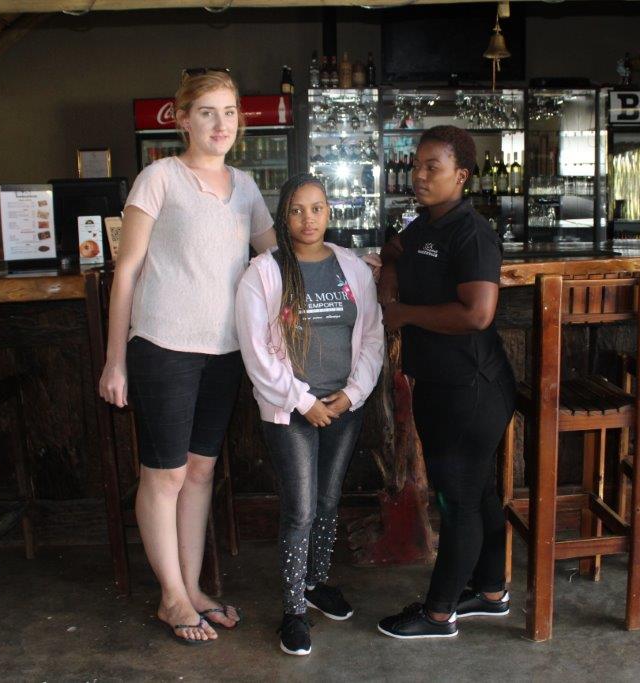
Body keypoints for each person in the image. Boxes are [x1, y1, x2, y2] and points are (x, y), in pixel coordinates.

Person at [97, 71, 275, 645]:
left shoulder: (245, 187)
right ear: (181, 119)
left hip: (225, 351)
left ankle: (192, 588)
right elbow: (126, 271)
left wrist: (345, 260)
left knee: (200, 472)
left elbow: (277, 258)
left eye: (230, 112)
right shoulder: (159, 178)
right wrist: (115, 360)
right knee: (166, 473)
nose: (221, 124)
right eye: (207, 112)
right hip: (163, 347)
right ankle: (170, 597)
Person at [375, 126, 516, 640]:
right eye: (416, 164)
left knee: (458, 500)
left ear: (462, 175)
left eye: (432, 166)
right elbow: (393, 258)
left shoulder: (470, 233)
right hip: (440, 382)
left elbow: (478, 314)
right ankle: (491, 592)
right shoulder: (423, 226)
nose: (419, 175)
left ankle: (438, 614)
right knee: (475, 492)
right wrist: (392, 270)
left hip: (471, 387)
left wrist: (405, 314)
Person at [235, 173, 384, 656]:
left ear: (329, 212)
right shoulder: (264, 273)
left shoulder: (351, 267)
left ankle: (316, 583)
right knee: (300, 509)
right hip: (291, 410)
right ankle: (293, 610)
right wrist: (304, 402)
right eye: (297, 210)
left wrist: (353, 393)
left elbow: (373, 334)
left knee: (328, 500)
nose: (308, 219)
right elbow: (257, 351)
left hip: (343, 406)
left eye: (317, 208)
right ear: (284, 216)